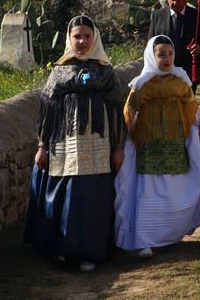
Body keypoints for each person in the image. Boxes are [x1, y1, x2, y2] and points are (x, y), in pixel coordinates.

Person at [25, 15, 126, 272]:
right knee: (63, 195)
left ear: (95, 39)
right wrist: (42, 146)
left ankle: (90, 252)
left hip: (97, 147)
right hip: (64, 147)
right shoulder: (59, 71)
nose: (82, 41)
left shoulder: (106, 72)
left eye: (87, 36)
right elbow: (46, 113)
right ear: (69, 39)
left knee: (92, 200)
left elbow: (116, 112)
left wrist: (118, 147)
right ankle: (62, 249)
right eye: (77, 36)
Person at [114, 36, 200, 258]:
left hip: (176, 143)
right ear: (152, 55)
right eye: (161, 54)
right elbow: (130, 113)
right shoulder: (141, 84)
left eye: (170, 54)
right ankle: (144, 240)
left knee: (175, 187)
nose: (167, 59)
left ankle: (172, 234)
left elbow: (192, 106)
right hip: (150, 145)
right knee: (149, 190)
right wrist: (134, 134)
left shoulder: (181, 80)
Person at [148, 0, 200, 93]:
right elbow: (151, 43)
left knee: (186, 107)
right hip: (162, 72)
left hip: (187, 72)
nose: (175, 3)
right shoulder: (157, 16)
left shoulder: (198, 16)